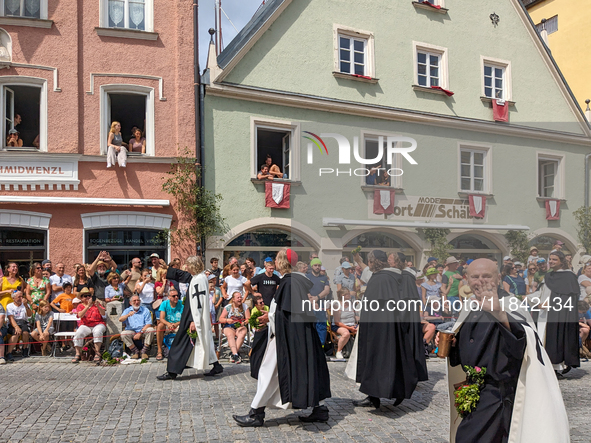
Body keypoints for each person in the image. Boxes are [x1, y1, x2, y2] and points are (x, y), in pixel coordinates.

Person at [444, 258, 570, 443]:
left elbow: (525, 344)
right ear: (466, 279)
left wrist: (499, 314)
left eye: (487, 276)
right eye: (475, 276)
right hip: (474, 389)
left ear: (497, 278)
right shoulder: (470, 305)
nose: (481, 281)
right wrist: (452, 345)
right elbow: (468, 348)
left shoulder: (510, 304)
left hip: (499, 394)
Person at [233, 248, 331, 427]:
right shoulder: (297, 281)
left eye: (277, 260)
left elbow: (284, 314)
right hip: (300, 336)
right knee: (308, 370)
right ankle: (320, 408)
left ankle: (256, 413)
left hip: (284, 338)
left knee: (267, 372)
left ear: (280, 263)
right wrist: (269, 317)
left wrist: (270, 320)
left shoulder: (289, 282)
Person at [351, 250, 422, 409]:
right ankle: (374, 395)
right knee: (391, 360)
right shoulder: (395, 277)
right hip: (393, 326)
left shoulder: (380, 279)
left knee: (378, 361)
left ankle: (386, 393)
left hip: (379, 329)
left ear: (372, 262)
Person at [156, 256, 223, 380]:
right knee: (203, 341)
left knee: (180, 342)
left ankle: (172, 372)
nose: (186, 267)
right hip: (192, 316)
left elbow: (198, 302)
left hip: (192, 317)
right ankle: (216, 365)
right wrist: (167, 268)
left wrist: (193, 320)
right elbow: (183, 275)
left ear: (193, 266)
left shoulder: (199, 280)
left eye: (188, 265)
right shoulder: (198, 277)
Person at [535, 250, 580, 377]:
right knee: (543, 338)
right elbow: (543, 292)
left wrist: (551, 304)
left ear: (561, 262)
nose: (551, 261)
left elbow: (569, 299)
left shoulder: (569, 276)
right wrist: (537, 302)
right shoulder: (548, 276)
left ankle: (556, 367)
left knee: (557, 338)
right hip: (544, 313)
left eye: (554, 259)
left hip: (560, 313)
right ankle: (546, 367)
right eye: (550, 259)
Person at [72, 288, 106, 363]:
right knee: (78, 333)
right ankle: (78, 353)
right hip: (85, 325)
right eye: (85, 296)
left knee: (98, 331)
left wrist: (98, 306)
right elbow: (80, 315)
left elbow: (103, 313)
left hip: (98, 323)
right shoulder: (80, 306)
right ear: (81, 298)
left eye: (89, 295)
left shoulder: (96, 304)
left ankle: (97, 352)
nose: (88, 297)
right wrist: (87, 306)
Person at [119, 295, 155, 360]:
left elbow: (149, 324)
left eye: (138, 300)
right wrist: (127, 315)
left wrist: (140, 332)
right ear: (130, 303)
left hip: (142, 330)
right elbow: (120, 319)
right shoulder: (127, 310)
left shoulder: (145, 310)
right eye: (134, 301)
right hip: (131, 330)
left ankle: (144, 351)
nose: (136, 302)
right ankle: (135, 351)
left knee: (151, 329)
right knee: (123, 334)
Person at [219, 291, 250, 363]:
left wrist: (244, 323)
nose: (240, 299)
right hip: (229, 325)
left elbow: (248, 318)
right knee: (230, 335)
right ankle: (236, 354)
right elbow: (221, 319)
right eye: (238, 298)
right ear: (233, 299)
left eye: (240, 297)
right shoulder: (228, 307)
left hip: (240, 325)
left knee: (242, 334)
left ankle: (233, 354)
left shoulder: (245, 306)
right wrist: (227, 320)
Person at [306, 258, 331, 346]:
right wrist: (312, 300)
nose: (317, 267)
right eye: (315, 265)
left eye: (319, 265)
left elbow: (327, 290)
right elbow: (305, 289)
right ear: (312, 266)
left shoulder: (324, 278)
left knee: (321, 326)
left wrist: (317, 297)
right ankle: (311, 346)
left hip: (321, 306)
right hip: (309, 306)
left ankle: (321, 346)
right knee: (311, 326)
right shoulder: (307, 277)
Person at [156, 288, 183, 361]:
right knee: (160, 326)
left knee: (186, 325)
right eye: (174, 296)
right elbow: (161, 318)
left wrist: (177, 323)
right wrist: (168, 324)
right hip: (167, 324)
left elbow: (184, 318)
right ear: (169, 297)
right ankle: (159, 351)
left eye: (177, 295)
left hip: (179, 324)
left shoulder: (182, 303)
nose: (176, 297)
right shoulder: (164, 303)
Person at [6, 290, 33, 361]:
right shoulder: (10, 306)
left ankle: (24, 348)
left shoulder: (25, 305)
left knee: (25, 332)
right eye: (19, 297)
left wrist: (26, 306)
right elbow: (11, 318)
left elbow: (30, 315)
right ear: (13, 298)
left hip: (23, 322)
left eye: (22, 296)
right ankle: (9, 352)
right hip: (13, 322)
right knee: (16, 333)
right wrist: (16, 327)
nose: (21, 298)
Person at [331, 289, 358, 359]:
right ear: (342, 296)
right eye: (348, 294)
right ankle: (339, 351)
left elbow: (355, 316)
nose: (349, 296)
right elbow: (337, 322)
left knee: (364, 330)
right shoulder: (337, 305)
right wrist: (349, 328)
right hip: (339, 325)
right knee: (346, 333)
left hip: (351, 324)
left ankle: (358, 351)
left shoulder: (351, 304)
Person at [249, 295, 269, 379]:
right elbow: (253, 322)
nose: (263, 304)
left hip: (266, 329)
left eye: (263, 302)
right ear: (256, 305)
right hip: (258, 331)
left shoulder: (267, 308)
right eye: (260, 303)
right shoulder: (254, 311)